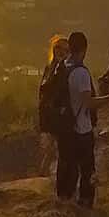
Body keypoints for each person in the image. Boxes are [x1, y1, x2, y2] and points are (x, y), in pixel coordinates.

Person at [56, 30, 109, 207]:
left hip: (65, 127)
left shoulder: (62, 66)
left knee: (67, 165)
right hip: (81, 129)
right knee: (87, 170)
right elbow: (89, 103)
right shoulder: (80, 73)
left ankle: (64, 200)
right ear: (84, 49)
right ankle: (85, 204)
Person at [35, 34, 70, 176]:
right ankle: (45, 177)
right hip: (47, 116)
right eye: (58, 48)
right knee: (48, 149)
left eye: (65, 49)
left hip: (60, 116)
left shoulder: (67, 70)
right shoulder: (49, 68)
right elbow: (42, 92)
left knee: (58, 150)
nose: (61, 51)